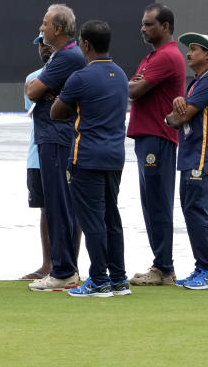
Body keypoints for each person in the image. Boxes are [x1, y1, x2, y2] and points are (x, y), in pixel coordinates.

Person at [51, 20, 130, 297]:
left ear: (85, 44)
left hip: (86, 157)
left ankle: (98, 279)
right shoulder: (120, 75)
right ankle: (119, 279)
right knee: (111, 218)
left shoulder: (81, 77)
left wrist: (67, 100)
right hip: (115, 156)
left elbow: (55, 113)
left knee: (92, 220)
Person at [24, 3, 86, 292]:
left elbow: (33, 90)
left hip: (58, 137)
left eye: (45, 23)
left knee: (60, 205)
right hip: (53, 137)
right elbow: (34, 90)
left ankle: (63, 271)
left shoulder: (67, 57)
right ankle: (64, 269)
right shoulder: (63, 56)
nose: (41, 28)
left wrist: (43, 89)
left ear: (59, 29)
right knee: (56, 205)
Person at [164, 32, 208, 290]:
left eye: (194, 49)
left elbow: (178, 118)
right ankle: (203, 266)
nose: (188, 53)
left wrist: (177, 110)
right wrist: (176, 108)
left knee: (197, 213)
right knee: (192, 212)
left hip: (201, 159)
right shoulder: (197, 82)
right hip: (190, 157)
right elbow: (172, 118)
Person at [126, 3, 186, 287]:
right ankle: (160, 265)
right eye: (143, 23)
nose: (143, 28)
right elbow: (133, 87)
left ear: (165, 27)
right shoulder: (153, 57)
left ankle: (164, 268)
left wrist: (136, 83)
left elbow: (133, 89)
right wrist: (135, 83)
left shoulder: (166, 57)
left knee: (158, 203)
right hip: (148, 138)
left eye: (149, 24)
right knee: (152, 203)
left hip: (157, 138)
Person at [21, 33, 55, 281]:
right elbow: (37, 113)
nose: (44, 47)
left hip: (65, 153)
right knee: (45, 210)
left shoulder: (75, 75)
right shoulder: (33, 79)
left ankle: (69, 264)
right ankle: (48, 265)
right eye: (40, 44)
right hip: (37, 156)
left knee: (70, 210)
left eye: (48, 42)